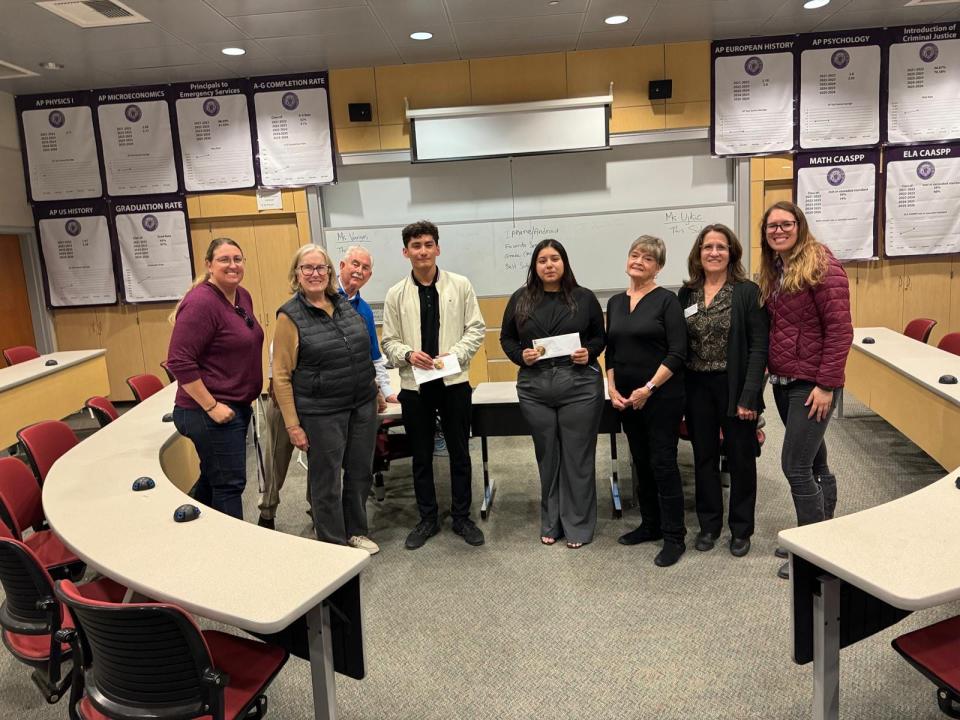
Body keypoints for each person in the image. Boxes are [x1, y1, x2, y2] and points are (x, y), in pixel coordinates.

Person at [256, 245, 394, 531]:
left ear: (330, 271)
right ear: (297, 273)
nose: (315, 273)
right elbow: (281, 373)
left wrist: (377, 390)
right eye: (308, 267)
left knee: (347, 473)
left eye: (321, 268)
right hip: (304, 403)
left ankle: (338, 525)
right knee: (296, 467)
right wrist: (294, 424)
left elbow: (366, 355)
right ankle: (269, 513)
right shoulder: (290, 315)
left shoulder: (351, 307)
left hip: (352, 403)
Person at [757, 201, 852, 580]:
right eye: (771, 226)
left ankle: (811, 557)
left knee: (794, 465)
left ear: (800, 226)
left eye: (785, 224)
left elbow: (841, 331)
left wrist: (827, 385)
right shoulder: (777, 270)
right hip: (784, 380)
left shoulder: (822, 266)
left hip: (812, 384)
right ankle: (823, 535)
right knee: (814, 462)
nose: (778, 231)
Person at [381, 220, 486, 550]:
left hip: (454, 382)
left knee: (459, 452)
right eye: (416, 246)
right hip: (415, 386)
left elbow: (476, 329)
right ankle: (427, 518)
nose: (422, 251)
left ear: (437, 248)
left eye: (428, 244)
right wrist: (409, 355)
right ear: (405, 252)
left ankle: (461, 517)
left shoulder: (461, 285)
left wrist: (453, 355)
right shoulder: (395, 294)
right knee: (421, 455)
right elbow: (389, 341)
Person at [500, 239, 605, 548]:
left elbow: (599, 336)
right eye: (542, 260)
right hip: (535, 388)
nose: (549, 265)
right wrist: (521, 356)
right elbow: (507, 338)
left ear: (564, 263)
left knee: (577, 457)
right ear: (535, 266)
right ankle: (552, 522)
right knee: (548, 457)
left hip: (580, 386)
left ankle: (579, 526)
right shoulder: (520, 299)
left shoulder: (583, 298)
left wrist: (590, 352)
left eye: (554, 259)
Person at [678, 224, 768, 558]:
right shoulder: (686, 294)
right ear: (698, 253)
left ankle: (741, 529)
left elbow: (759, 348)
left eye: (721, 247)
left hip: (735, 386)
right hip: (697, 387)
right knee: (703, 458)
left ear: (732, 253)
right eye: (707, 247)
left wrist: (750, 396)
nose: (714, 252)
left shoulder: (747, 291)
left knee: (741, 458)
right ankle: (709, 524)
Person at [167, 237, 264, 520]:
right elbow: (179, 361)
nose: (232, 265)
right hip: (207, 412)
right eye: (224, 259)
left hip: (236, 405)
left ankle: (196, 536)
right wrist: (211, 406)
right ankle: (230, 555)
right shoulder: (201, 302)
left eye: (237, 259)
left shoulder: (241, 295)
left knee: (213, 477)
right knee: (229, 485)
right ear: (209, 265)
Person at [606, 235, 688, 567]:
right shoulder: (614, 302)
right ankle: (650, 525)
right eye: (635, 254)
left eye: (648, 258)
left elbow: (678, 352)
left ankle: (674, 536)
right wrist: (611, 387)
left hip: (660, 397)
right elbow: (611, 350)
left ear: (659, 267)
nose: (639, 261)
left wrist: (648, 389)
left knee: (663, 464)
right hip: (626, 399)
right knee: (640, 463)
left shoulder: (667, 301)